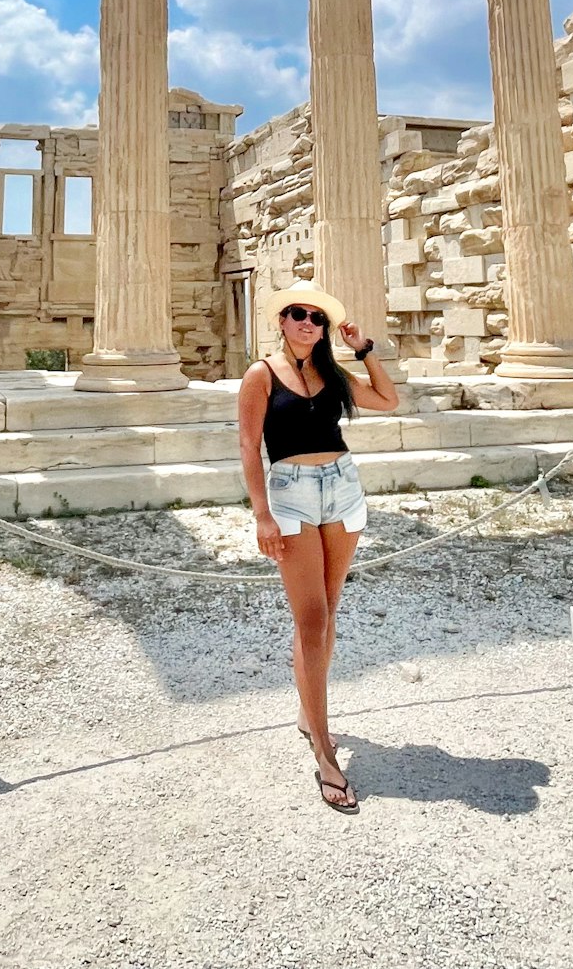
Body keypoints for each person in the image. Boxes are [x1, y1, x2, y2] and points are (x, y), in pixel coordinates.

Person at [237, 280, 398, 813]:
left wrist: (364, 349)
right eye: (299, 314)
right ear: (281, 321)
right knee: (310, 620)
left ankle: (310, 712)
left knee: (328, 615)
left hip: (343, 488)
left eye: (317, 318)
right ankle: (326, 753)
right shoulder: (259, 375)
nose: (309, 323)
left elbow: (388, 399)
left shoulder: (333, 372)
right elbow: (248, 445)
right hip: (291, 497)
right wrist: (261, 514)